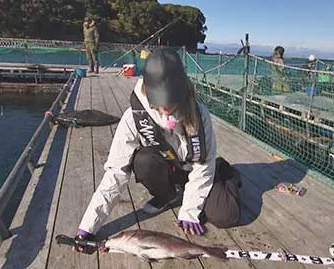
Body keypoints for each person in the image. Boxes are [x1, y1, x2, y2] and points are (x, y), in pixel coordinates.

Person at [74, 49, 242, 253]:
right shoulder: (132, 118)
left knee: (227, 216)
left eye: (171, 105)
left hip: (197, 169)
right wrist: (88, 226)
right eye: (159, 105)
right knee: (143, 161)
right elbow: (115, 173)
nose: (165, 111)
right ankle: (168, 194)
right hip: (169, 168)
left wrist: (189, 211)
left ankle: (227, 173)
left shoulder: (200, 114)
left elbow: (203, 165)